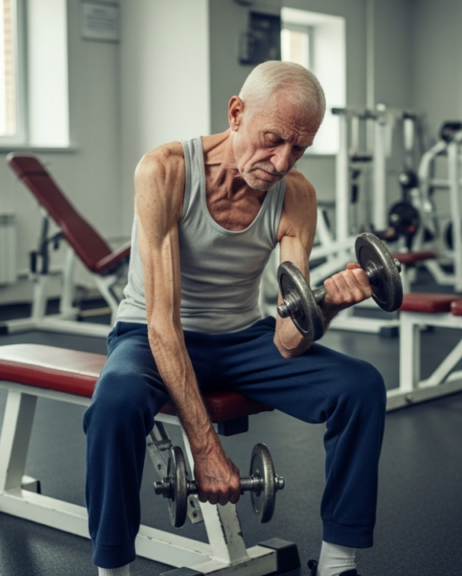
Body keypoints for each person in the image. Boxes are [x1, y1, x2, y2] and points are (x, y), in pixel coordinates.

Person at [83, 61, 382, 576]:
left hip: (244, 338)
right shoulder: (167, 170)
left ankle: (338, 562)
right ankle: (113, 567)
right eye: (273, 140)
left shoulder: (297, 196)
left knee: (360, 387)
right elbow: (162, 321)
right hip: (151, 333)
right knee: (117, 400)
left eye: (299, 148)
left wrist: (326, 303)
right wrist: (206, 448)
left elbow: (289, 340)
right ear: (237, 113)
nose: (283, 161)